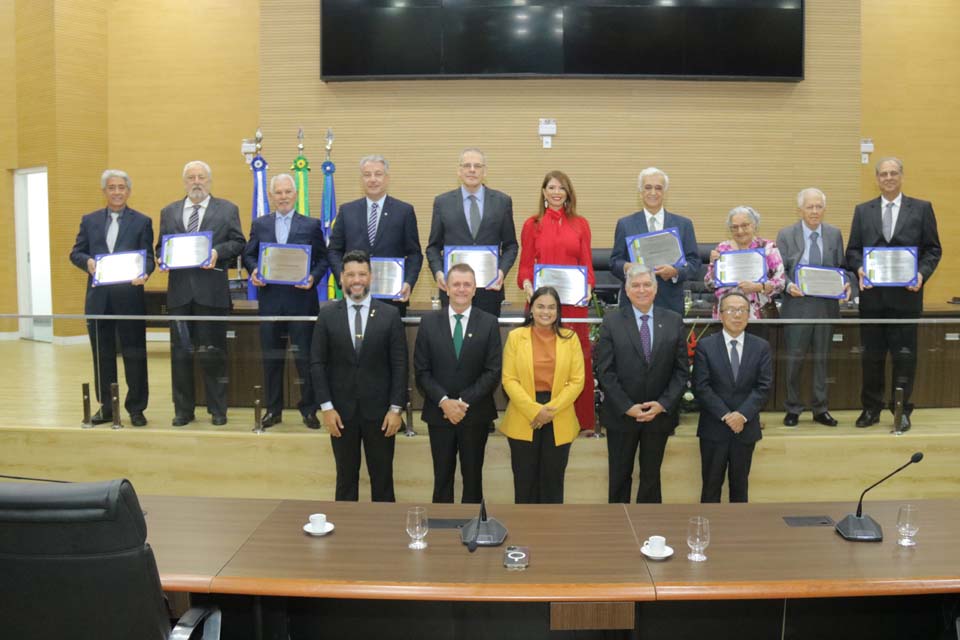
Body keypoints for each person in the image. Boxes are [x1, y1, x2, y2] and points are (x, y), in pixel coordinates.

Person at [846, 157, 942, 432]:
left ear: (901, 176)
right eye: (883, 174)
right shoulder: (863, 211)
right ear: (876, 178)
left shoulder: (922, 209)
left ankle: (901, 409)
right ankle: (871, 409)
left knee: (905, 357)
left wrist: (922, 274)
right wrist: (861, 269)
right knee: (872, 357)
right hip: (873, 300)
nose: (888, 178)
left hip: (906, 299)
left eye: (893, 173)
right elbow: (852, 251)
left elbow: (933, 249)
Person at [311, 250, 407, 502]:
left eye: (362, 274)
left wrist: (396, 409)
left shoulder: (389, 315)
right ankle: (344, 538)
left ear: (370, 277)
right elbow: (317, 364)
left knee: (383, 480)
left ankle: (384, 538)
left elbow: (400, 365)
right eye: (351, 274)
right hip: (340, 415)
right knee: (345, 480)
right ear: (341, 278)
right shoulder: (328, 315)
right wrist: (327, 408)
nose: (357, 279)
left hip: (382, 415)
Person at [157, 160, 245, 427]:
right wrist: (163, 258)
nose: (196, 182)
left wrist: (218, 253)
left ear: (209, 181)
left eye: (201, 177)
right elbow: (161, 245)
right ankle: (183, 410)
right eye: (191, 177)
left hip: (212, 295)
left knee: (214, 354)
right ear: (184, 182)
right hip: (180, 296)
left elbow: (239, 242)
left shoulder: (227, 209)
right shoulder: (168, 211)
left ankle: (218, 410)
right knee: (180, 355)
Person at [595, 265, 688, 503]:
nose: (642, 290)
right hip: (622, 415)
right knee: (619, 477)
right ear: (626, 290)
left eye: (647, 284)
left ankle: (650, 531)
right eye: (635, 285)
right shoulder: (611, 321)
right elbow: (605, 371)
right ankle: (618, 530)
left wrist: (663, 404)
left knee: (651, 478)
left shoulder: (674, 321)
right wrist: (627, 406)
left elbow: (680, 372)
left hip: (659, 415)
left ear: (656, 289)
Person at [242, 174, 329, 430]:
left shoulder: (311, 225)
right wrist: (254, 271)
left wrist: (313, 277)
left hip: (302, 303)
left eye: (287, 192)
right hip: (270, 303)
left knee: (306, 360)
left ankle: (309, 409)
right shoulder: (260, 224)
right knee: (271, 359)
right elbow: (249, 255)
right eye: (278, 192)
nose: (283, 197)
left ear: (295, 194)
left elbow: (323, 259)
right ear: (271, 196)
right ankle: (273, 409)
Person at [69, 169, 154, 427]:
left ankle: (136, 408)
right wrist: (89, 262)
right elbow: (76, 253)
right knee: (102, 356)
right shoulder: (90, 220)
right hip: (99, 300)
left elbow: (148, 257)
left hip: (130, 299)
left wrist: (146, 272)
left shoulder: (142, 221)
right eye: (112, 187)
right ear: (104, 191)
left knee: (134, 355)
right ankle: (107, 407)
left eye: (121, 187)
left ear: (128, 191)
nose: (117, 192)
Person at [414, 263, 501, 503]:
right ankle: (442, 535)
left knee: (473, 480)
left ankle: (473, 531)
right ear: (446, 288)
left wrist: (461, 403)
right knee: (442, 479)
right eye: (456, 284)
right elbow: (422, 372)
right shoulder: (429, 322)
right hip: (439, 415)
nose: (461, 289)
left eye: (467, 285)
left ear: (475, 289)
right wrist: (444, 402)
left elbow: (492, 372)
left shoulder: (489, 323)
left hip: (475, 414)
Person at [517, 170, 595, 432]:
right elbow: (526, 266)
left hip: (574, 304)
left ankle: (582, 421)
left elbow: (587, 265)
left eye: (561, 188)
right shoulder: (532, 224)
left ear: (568, 193)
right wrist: (527, 285)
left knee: (576, 361)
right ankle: (538, 414)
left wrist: (588, 287)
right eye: (551, 187)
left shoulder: (581, 223)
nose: (556, 192)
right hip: (542, 305)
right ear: (543, 192)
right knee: (540, 359)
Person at [500, 286, 585, 504]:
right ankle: (524, 535)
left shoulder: (570, 338)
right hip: (523, 414)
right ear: (531, 309)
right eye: (540, 306)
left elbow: (577, 381)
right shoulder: (516, 337)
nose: (545, 312)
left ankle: (552, 536)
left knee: (553, 483)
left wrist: (550, 410)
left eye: (551, 307)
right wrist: (535, 410)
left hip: (559, 413)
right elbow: (509, 379)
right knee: (524, 482)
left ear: (558, 311)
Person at [776, 188, 850, 428]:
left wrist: (846, 284)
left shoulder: (834, 234)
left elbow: (842, 267)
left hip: (826, 307)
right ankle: (793, 408)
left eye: (819, 207)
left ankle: (820, 408)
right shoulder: (786, 234)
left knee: (822, 360)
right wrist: (788, 286)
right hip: (797, 306)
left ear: (824, 209)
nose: (815, 211)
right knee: (794, 359)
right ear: (800, 210)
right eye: (810, 207)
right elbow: (778, 272)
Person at [693, 290, 773, 503]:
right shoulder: (706, 346)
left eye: (742, 310)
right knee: (710, 488)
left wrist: (742, 415)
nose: (737, 315)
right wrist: (727, 415)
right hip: (714, 429)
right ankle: (709, 533)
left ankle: (739, 534)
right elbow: (701, 387)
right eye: (731, 310)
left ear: (749, 314)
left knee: (740, 489)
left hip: (745, 430)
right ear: (720, 315)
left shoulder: (761, 347)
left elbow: (763, 387)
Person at [426, 147, 518, 317]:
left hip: (489, 291)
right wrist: (439, 272)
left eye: (477, 166)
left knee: (487, 341)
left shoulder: (502, 201)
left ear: (485, 171)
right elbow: (432, 247)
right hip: (453, 291)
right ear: (459, 171)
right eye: (467, 165)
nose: (472, 170)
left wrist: (501, 272)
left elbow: (511, 245)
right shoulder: (442, 202)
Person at [327, 155, 422, 315]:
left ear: (387, 178)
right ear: (361, 179)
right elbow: (333, 251)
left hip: (392, 300)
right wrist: (342, 279)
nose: (372, 179)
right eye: (367, 174)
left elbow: (414, 254)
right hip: (354, 294)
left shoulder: (404, 211)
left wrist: (408, 282)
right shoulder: (347, 211)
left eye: (378, 174)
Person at [610, 167, 701, 316]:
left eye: (658, 188)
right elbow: (614, 263)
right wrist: (627, 267)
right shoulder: (625, 224)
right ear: (640, 192)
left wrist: (675, 272)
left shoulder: (684, 224)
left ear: (664, 192)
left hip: (670, 303)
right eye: (648, 187)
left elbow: (695, 263)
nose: (653, 192)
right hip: (634, 301)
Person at [704, 205, 786, 337]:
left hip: (757, 315)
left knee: (756, 355)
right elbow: (708, 284)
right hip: (726, 315)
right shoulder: (722, 248)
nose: (740, 231)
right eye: (734, 227)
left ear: (754, 225)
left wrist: (758, 287)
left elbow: (780, 282)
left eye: (745, 225)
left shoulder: (767, 247)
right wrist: (713, 264)